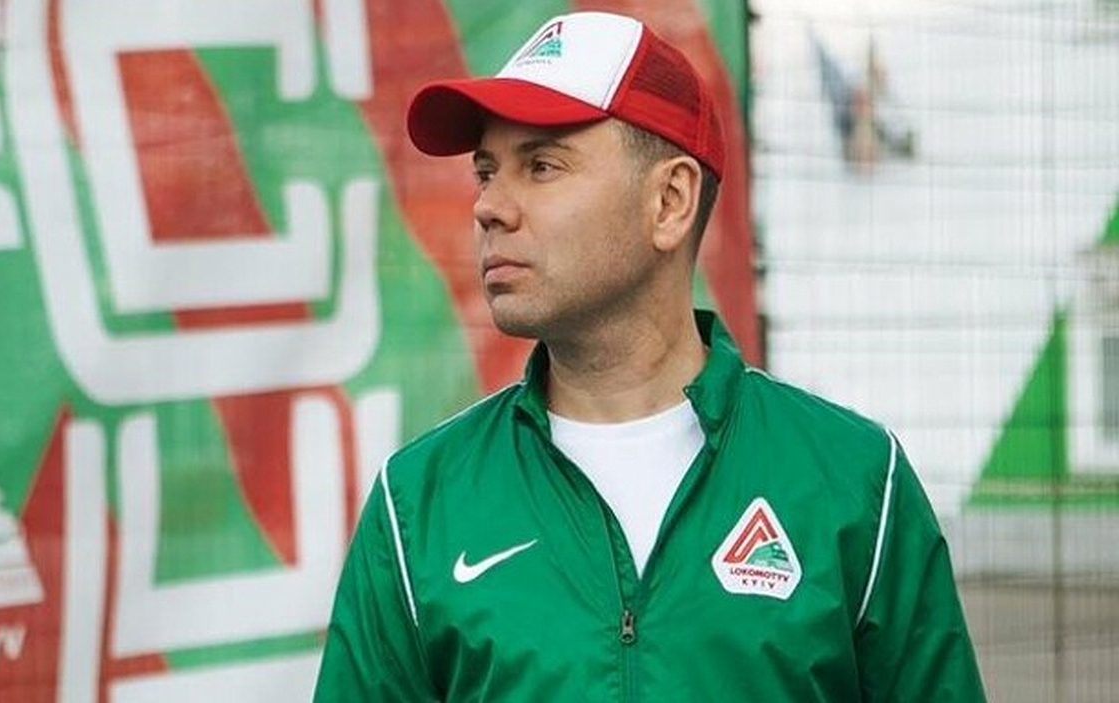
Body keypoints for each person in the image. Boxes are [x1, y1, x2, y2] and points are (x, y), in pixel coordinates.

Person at [313, 11, 986, 702]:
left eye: (542, 165)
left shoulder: (854, 480)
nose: (489, 206)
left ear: (670, 200)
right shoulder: (418, 503)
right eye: (486, 172)